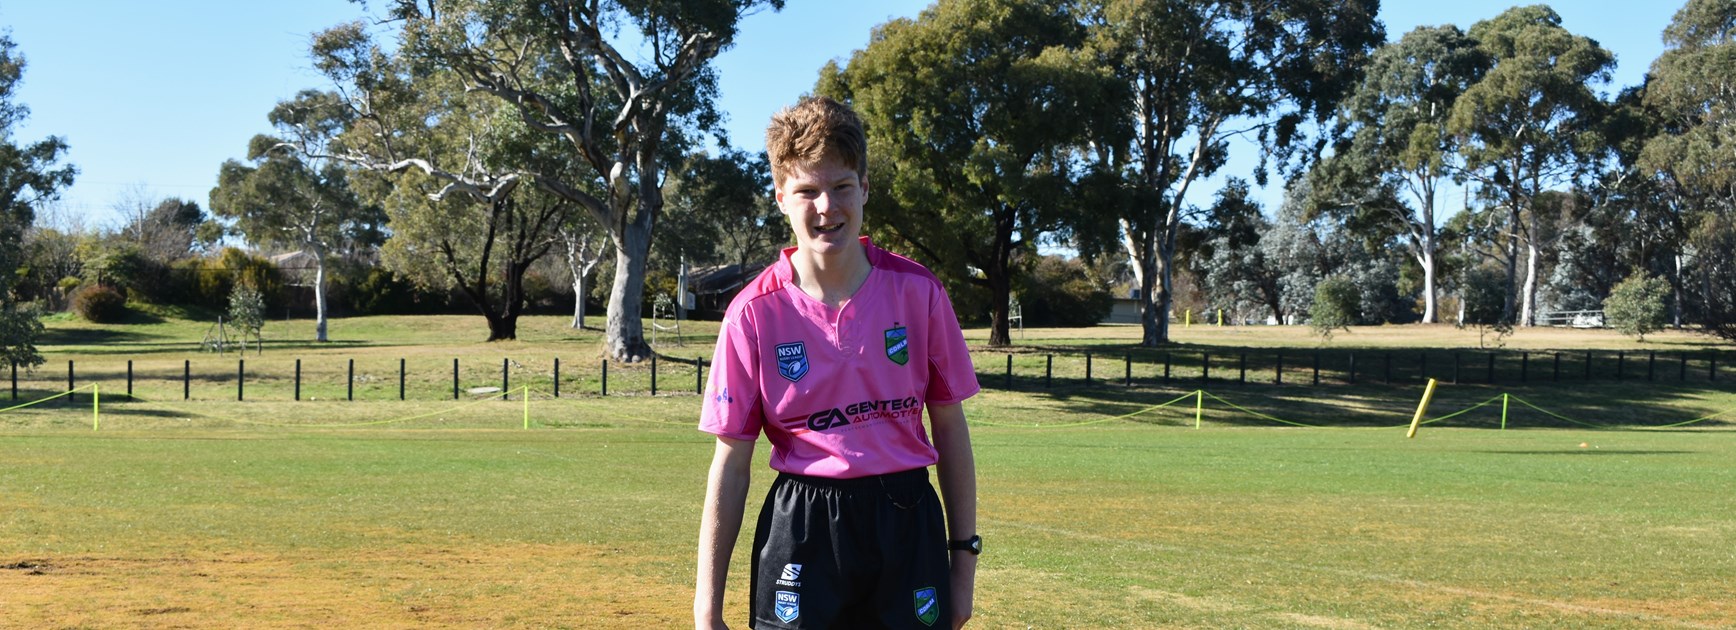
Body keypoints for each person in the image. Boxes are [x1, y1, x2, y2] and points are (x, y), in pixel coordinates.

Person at [694, 96, 980, 630]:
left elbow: (950, 427)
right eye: (806, 190)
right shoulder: (752, 314)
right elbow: (731, 464)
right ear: (781, 197)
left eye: (842, 187)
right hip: (803, 527)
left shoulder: (918, 293)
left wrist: (962, 564)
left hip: (905, 518)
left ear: (864, 189)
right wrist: (706, 608)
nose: (827, 207)